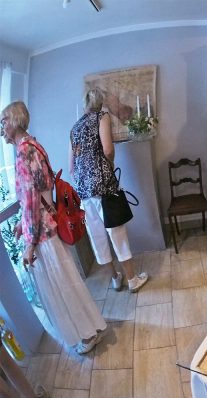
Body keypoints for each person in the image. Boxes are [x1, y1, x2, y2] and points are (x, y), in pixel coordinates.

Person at [1, 101, 106, 355]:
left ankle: (87, 334)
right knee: (66, 280)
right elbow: (36, 194)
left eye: (3, 121)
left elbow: (31, 198)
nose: (1, 127)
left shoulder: (25, 150)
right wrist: (22, 227)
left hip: (43, 236)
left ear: (15, 122)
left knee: (61, 285)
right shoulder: (31, 146)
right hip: (44, 229)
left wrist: (29, 242)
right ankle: (90, 329)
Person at [70, 89, 148, 293]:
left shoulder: (75, 127)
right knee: (116, 232)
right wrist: (109, 167)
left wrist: (84, 179)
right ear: (101, 103)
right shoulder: (102, 117)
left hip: (84, 191)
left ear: (85, 103)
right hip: (103, 186)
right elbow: (108, 150)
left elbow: (71, 166)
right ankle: (132, 280)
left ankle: (115, 278)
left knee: (97, 237)